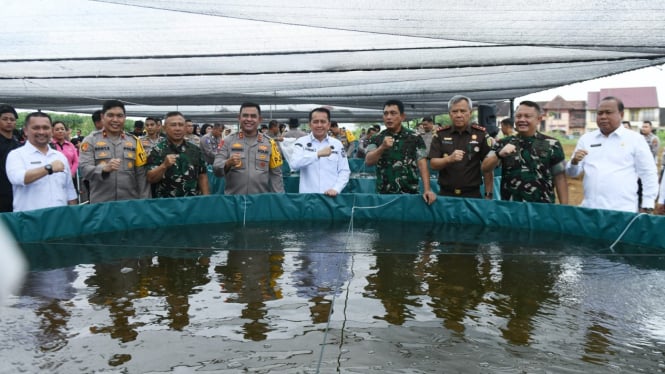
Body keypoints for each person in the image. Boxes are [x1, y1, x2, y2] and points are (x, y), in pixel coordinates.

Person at [566, 96, 657, 213]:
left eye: (608, 113)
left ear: (621, 115)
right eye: (600, 113)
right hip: (590, 209)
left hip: (622, 211)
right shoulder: (586, 139)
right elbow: (572, 173)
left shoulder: (635, 139)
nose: (603, 117)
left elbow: (648, 173)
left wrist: (647, 204)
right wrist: (574, 162)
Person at [481, 101, 568, 204]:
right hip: (512, 209)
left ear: (539, 119)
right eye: (518, 116)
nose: (522, 120)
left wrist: (564, 208)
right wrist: (499, 154)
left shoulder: (552, 144)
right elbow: (485, 168)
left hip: (543, 209)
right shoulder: (503, 143)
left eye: (527, 116)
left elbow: (560, 177)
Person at [365, 99, 436, 205]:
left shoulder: (415, 137)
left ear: (402, 117)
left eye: (393, 113)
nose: (389, 117)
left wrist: (427, 189)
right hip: (383, 195)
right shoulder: (376, 138)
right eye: (386, 114)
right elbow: (368, 161)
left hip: (410, 194)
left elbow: (422, 164)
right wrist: (382, 147)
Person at [79, 100, 151, 203]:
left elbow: (141, 176)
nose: (115, 120)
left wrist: (145, 202)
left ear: (124, 118)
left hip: (129, 204)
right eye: (110, 115)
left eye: (120, 116)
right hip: (101, 204)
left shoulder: (134, 141)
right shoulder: (90, 140)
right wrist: (103, 169)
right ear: (102, 117)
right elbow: (85, 169)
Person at [5, 112, 77, 211]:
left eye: (45, 128)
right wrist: (49, 168)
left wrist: (73, 215)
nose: (42, 132)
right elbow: (19, 178)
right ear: (26, 131)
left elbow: (70, 190)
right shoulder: (16, 155)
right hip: (30, 220)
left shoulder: (59, 156)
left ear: (51, 131)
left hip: (60, 218)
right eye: (36, 128)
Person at [429, 95, 494, 199]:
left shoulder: (481, 134)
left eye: (463, 111)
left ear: (470, 113)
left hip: (472, 195)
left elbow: (488, 168)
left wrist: (488, 194)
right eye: (455, 111)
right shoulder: (440, 134)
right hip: (446, 194)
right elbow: (433, 164)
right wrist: (449, 159)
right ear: (450, 114)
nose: (459, 115)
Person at [213, 102, 284, 194]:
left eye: (253, 116)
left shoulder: (270, 143)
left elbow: (276, 175)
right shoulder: (227, 141)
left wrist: (279, 199)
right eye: (245, 115)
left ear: (259, 119)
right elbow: (216, 169)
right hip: (234, 202)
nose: (249, 119)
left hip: (260, 201)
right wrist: (227, 163)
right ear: (239, 118)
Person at [147, 111, 209, 198]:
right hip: (166, 204)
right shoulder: (157, 150)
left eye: (181, 125)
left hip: (192, 202)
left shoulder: (195, 150)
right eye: (173, 125)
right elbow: (150, 179)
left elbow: (202, 175)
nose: (178, 128)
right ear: (164, 128)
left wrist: (206, 198)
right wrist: (164, 166)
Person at [289, 107, 350, 196]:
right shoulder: (301, 142)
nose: (319, 125)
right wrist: (317, 154)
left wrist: (336, 189)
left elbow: (344, 171)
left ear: (328, 125)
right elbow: (294, 165)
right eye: (315, 122)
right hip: (308, 198)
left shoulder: (337, 144)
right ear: (310, 124)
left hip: (331, 197)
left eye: (323, 121)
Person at [0, 105, 22, 212]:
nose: (9, 122)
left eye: (12, 119)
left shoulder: (18, 144)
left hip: (16, 192)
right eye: (5, 119)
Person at [50, 121, 80, 192]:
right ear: (52, 132)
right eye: (57, 129)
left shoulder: (70, 145)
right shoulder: (49, 146)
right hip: (55, 179)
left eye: (62, 129)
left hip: (70, 178)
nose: (60, 131)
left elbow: (76, 161)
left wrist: (71, 173)